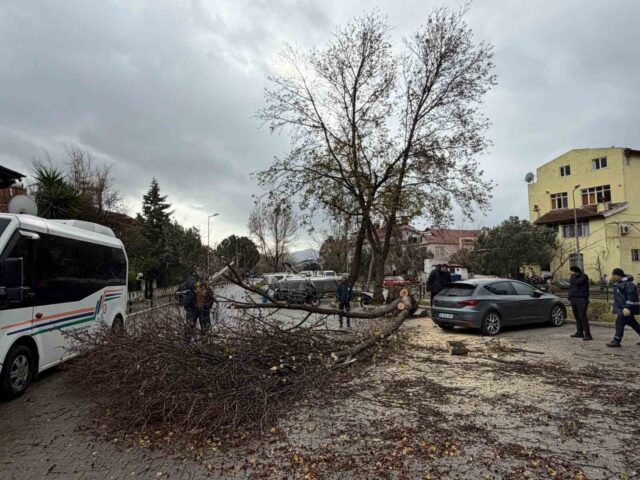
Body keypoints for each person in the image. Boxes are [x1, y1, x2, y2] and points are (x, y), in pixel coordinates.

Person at [607, 268, 640, 348]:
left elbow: (631, 296)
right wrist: (614, 306)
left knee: (619, 322)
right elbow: (618, 298)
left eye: (613, 275)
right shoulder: (619, 284)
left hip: (626, 309)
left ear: (618, 275)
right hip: (623, 308)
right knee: (633, 323)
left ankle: (616, 340)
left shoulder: (628, 284)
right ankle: (616, 341)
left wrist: (627, 308)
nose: (612, 277)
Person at [568, 266, 591, 340]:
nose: (570, 272)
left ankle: (588, 334)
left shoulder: (584, 276)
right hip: (574, 299)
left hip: (581, 299)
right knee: (577, 317)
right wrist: (569, 298)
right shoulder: (572, 277)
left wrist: (573, 278)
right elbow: (571, 288)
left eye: (571, 271)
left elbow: (578, 282)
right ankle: (579, 332)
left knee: (582, 317)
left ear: (575, 271)